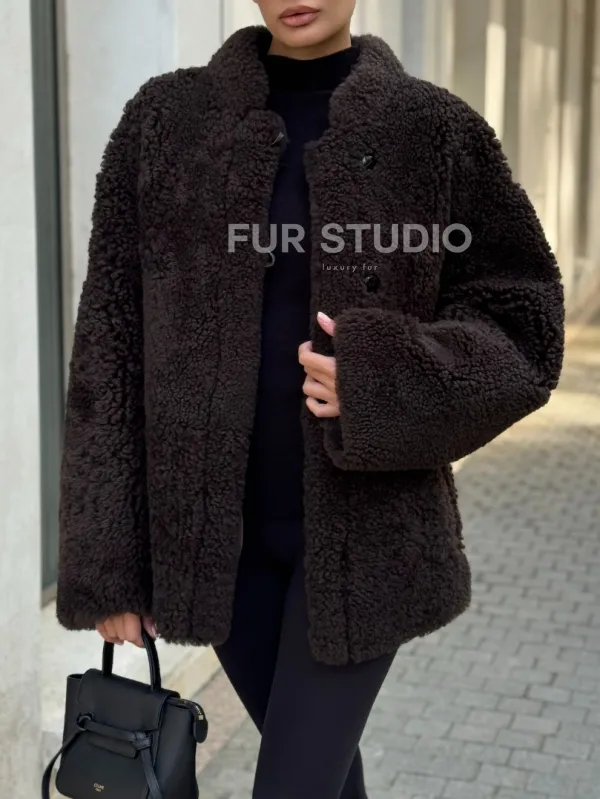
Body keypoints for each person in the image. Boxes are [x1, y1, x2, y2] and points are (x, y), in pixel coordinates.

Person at [56, 1, 565, 797]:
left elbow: (524, 323)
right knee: (323, 778)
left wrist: (381, 377)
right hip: (215, 547)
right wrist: (109, 560)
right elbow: (109, 342)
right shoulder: (164, 123)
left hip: (370, 540)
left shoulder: (433, 130)